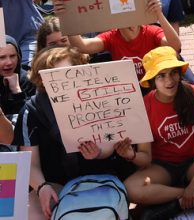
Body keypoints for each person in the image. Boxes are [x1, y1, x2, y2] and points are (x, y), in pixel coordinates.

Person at [15, 47, 136, 220]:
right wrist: (42, 187)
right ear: (41, 80)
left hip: (99, 179)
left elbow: (110, 143)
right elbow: (30, 162)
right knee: (30, 213)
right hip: (57, 183)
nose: (62, 81)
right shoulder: (32, 110)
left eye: (68, 73)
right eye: (53, 76)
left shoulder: (98, 97)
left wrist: (98, 153)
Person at [123, 47, 194, 218]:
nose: (169, 80)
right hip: (163, 167)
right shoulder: (145, 106)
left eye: (173, 72)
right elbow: (145, 157)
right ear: (152, 80)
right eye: (161, 75)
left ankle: (174, 205)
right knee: (131, 189)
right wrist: (131, 155)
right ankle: (187, 197)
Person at [60, 0, 182, 82]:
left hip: (154, 87)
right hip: (129, 89)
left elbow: (175, 46)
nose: (132, 21)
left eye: (135, 15)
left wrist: (159, 14)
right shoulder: (111, 37)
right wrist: (67, 18)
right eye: (126, 17)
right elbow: (81, 47)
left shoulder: (152, 31)